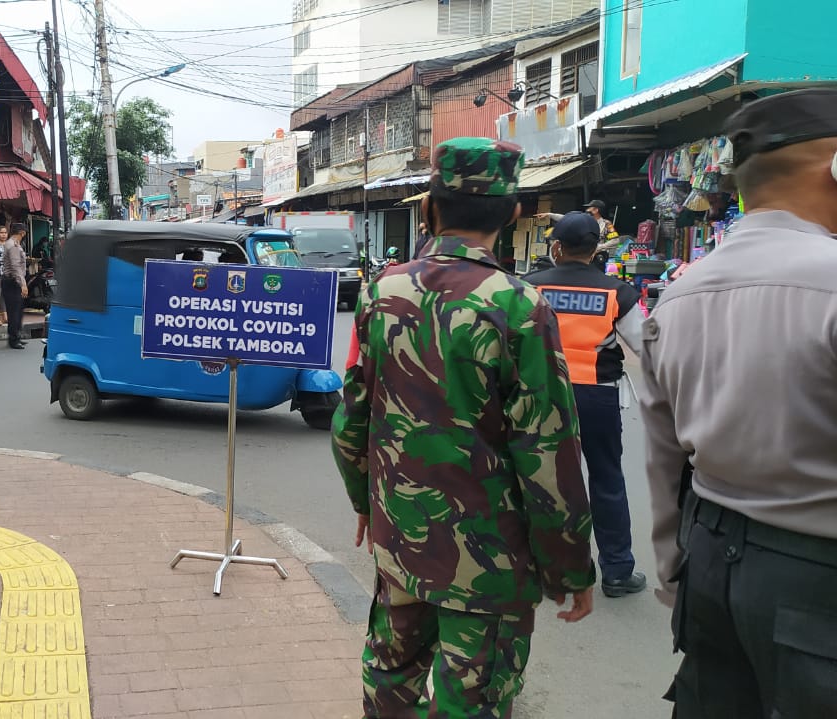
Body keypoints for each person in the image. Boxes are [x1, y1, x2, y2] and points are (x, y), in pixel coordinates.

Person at [333, 137, 595, 719]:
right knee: (469, 701)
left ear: (430, 209)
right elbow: (546, 449)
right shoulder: (520, 307)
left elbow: (352, 416)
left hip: (401, 538)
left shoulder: (382, 292)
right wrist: (569, 565)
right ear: (512, 213)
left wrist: (364, 502)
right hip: (488, 563)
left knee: (391, 680)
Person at [639, 88, 837, 717]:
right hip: (815, 581)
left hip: (711, 568)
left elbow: (664, 462)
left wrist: (674, 571)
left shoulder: (678, 295)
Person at [524, 210, 648, 599]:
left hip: (545, 395)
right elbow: (646, 346)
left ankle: (550, 569)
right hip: (598, 394)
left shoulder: (530, 287)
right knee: (607, 478)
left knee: (546, 482)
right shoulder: (618, 292)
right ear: (596, 250)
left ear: (556, 247)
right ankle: (617, 570)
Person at [538, 200, 621, 255]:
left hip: (597, 257)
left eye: (589, 208)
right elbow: (567, 218)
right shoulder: (583, 221)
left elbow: (615, 240)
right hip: (582, 255)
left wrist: (599, 247)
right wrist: (549, 215)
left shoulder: (606, 224)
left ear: (596, 210)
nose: (587, 210)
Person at [0, 222, 28, 349]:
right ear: (22, 233)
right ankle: (14, 339)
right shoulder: (13, 246)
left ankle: (17, 335)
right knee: (14, 312)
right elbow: (16, 266)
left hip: (12, 281)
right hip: (12, 282)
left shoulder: (12, 244)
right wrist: (23, 284)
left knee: (18, 310)